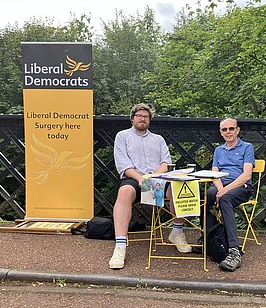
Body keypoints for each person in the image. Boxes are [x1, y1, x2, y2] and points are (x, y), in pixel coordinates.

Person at [109, 103, 191, 270]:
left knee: (179, 187)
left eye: (146, 117)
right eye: (139, 116)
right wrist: (141, 179)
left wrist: (153, 178)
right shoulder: (122, 136)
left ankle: (176, 233)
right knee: (124, 192)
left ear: (150, 120)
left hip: (157, 179)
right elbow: (123, 164)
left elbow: (165, 162)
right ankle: (120, 246)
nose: (142, 119)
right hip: (134, 178)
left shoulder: (158, 139)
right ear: (132, 118)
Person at [201, 118, 255, 272]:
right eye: (224, 130)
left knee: (225, 199)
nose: (228, 132)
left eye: (231, 129)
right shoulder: (218, 150)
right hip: (220, 185)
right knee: (202, 198)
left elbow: (246, 175)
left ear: (237, 130)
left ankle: (234, 251)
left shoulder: (247, 147)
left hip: (240, 187)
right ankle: (210, 238)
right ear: (221, 133)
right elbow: (215, 174)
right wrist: (219, 189)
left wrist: (224, 191)